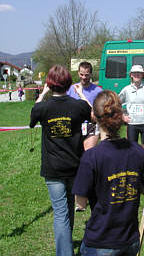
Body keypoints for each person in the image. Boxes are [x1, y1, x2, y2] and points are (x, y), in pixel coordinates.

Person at [72, 90, 144, 256]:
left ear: (94, 117)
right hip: (130, 239)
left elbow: (80, 204)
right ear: (120, 116)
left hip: (100, 241)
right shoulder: (138, 151)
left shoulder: (91, 157)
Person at [29, 65, 91, 256]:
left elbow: (33, 116)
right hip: (74, 165)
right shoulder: (77, 105)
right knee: (67, 209)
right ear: (69, 84)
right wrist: (80, 93)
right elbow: (90, 111)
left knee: (61, 212)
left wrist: (43, 93)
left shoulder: (43, 107)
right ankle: (66, 246)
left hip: (53, 168)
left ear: (49, 84)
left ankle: (64, 251)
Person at [67, 62, 102, 150]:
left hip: (91, 126)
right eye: (81, 74)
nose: (84, 77)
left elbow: (100, 111)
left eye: (86, 75)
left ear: (91, 74)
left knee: (88, 154)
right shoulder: (71, 89)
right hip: (75, 126)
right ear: (78, 73)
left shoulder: (98, 91)